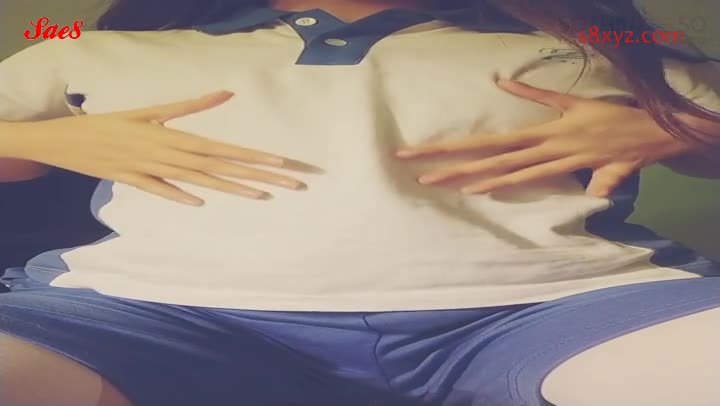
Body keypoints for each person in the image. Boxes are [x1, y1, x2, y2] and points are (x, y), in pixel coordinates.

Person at [0, 0, 719, 405]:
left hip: (565, 308)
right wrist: (50, 140)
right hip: (148, 313)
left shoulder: (592, 41)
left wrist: (677, 128)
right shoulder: (98, 44)